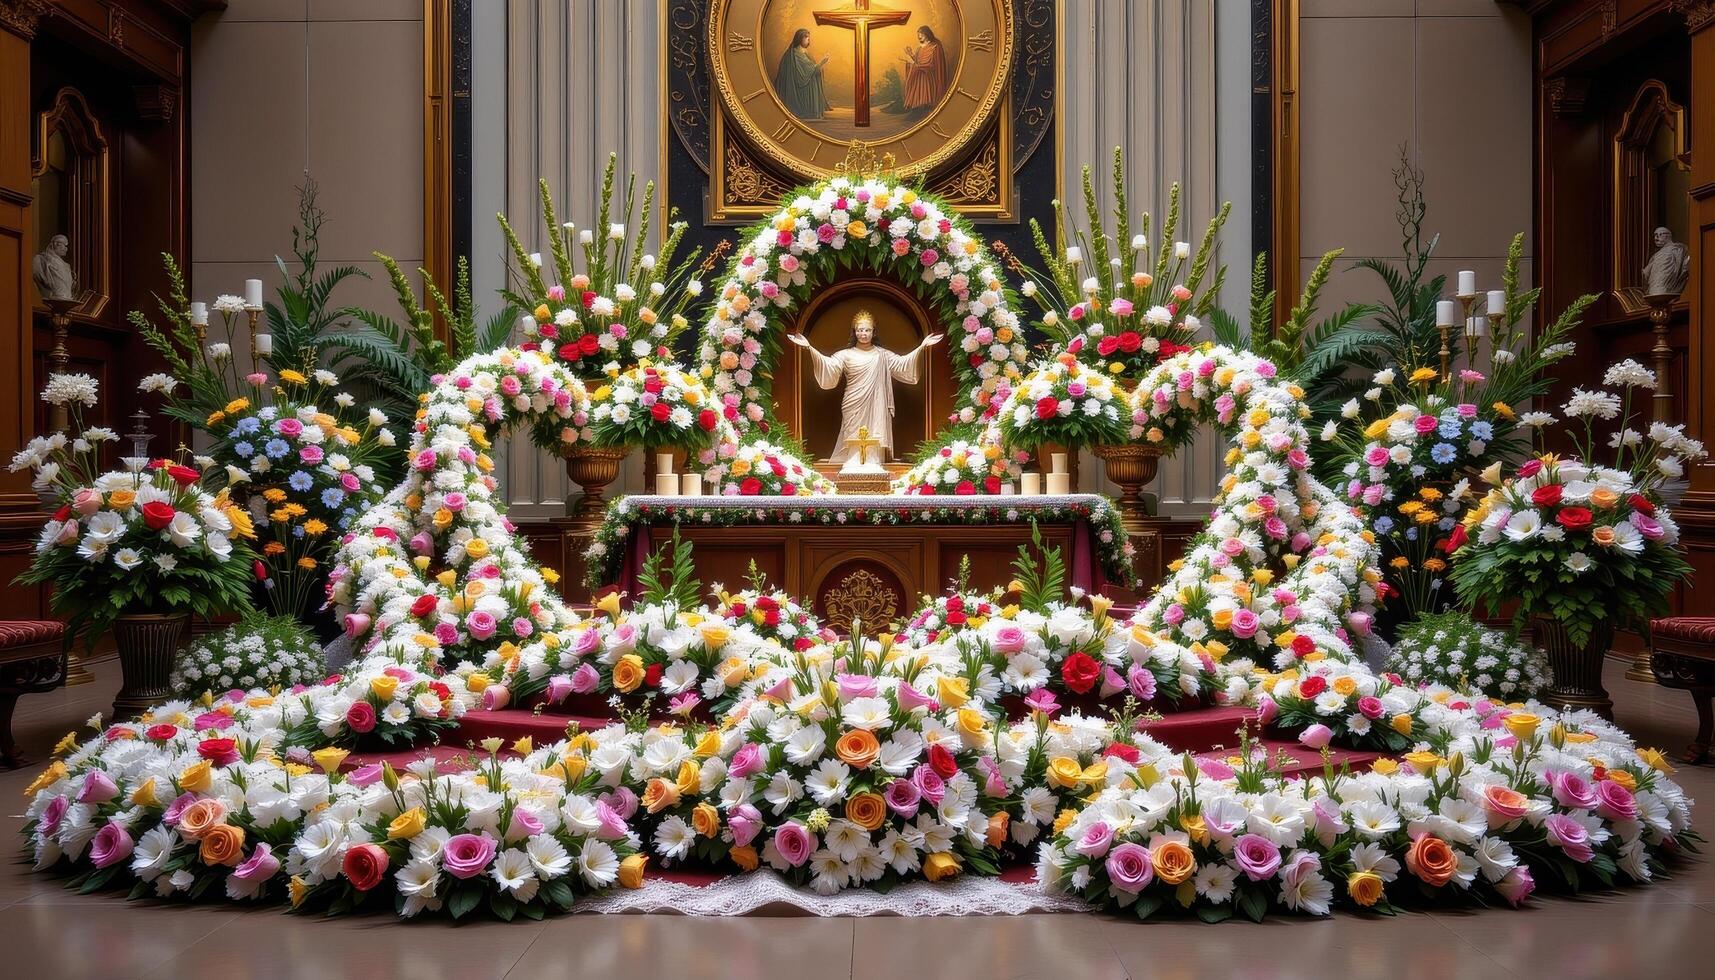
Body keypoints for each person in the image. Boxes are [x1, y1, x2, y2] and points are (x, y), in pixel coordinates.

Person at [789, 310, 941, 463]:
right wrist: (809, 347)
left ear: (873, 332)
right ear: (854, 332)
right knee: (852, 431)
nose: (863, 334)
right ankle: (853, 460)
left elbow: (903, 364)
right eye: (860, 330)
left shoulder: (882, 355)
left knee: (875, 429)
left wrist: (921, 347)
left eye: (867, 330)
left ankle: (874, 461)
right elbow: (828, 366)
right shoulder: (845, 354)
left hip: (876, 401)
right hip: (853, 401)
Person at [774, 29, 830, 121]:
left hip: (804, 81)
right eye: (806, 37)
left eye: (809, 37)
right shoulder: (797, 53)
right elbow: (807, 72)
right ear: (800, 38)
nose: (808, 39)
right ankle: (808, 111)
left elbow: (811, 68)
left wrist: (819, 66)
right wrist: (822, 62)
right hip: (800, 87)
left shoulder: (804, 51)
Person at [901, 26, 949, 111]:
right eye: (918, 35)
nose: (919, 36)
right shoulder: (919, 48)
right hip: (919, 75)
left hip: (928, 76)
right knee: (919, 99)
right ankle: (918, 108)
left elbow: (931, 64)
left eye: (921, 34)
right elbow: (917, 61)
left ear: (927, 34)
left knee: (926, 101)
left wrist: (916, 65)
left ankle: (925, 107)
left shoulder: (935, 47)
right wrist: (910, 55)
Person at [1644, 226, 1690, 297]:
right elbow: (1646, 274)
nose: (1656, 238)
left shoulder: (1679, 249)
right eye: (1655, 236)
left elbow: (1685, 268)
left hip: (1670, 290)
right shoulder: (1656, 255)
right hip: (1654, 291)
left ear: (1667, 236)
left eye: (1659, 235)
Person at [31, 233, 76, 302]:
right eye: (64, 246)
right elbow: (37, 274)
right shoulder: (40, 260)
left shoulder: (66, 266)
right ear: (55, 245)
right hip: (50, 298)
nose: (66, 249)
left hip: (66, 299)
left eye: (66, 247)